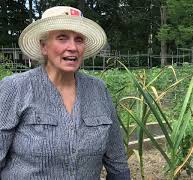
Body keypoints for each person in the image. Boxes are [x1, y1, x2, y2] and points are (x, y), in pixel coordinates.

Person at [0, 6, 130, 179]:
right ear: (44, 46)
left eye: (79, 39)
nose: (73, 47)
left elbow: (117, 163)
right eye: (62, 38)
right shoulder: (16, 88)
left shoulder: (98, 90)